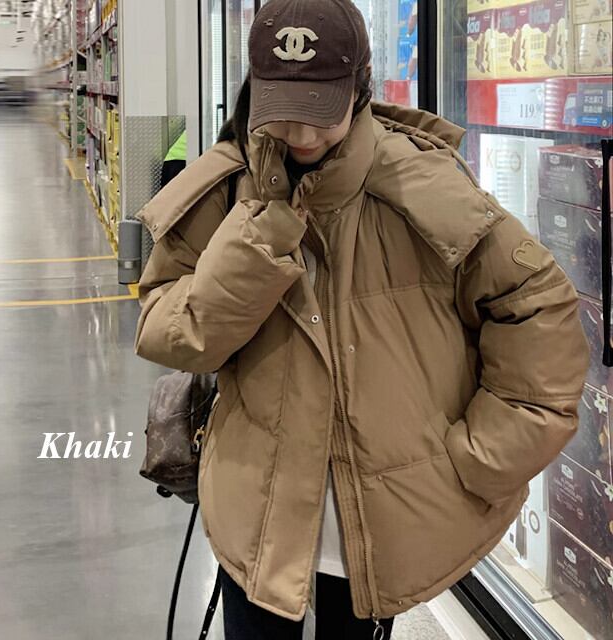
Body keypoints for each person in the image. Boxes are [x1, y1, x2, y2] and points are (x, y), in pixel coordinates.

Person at [134, 0, 590, 638]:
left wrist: (482, 459)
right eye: (282, 108)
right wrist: (251, 251)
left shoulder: (424, 185)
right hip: (253, 515)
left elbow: (538, 308)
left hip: (379, 532)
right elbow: (164, 328)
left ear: (361, 88)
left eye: (321, 110)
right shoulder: (228, 187)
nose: (301, 134)